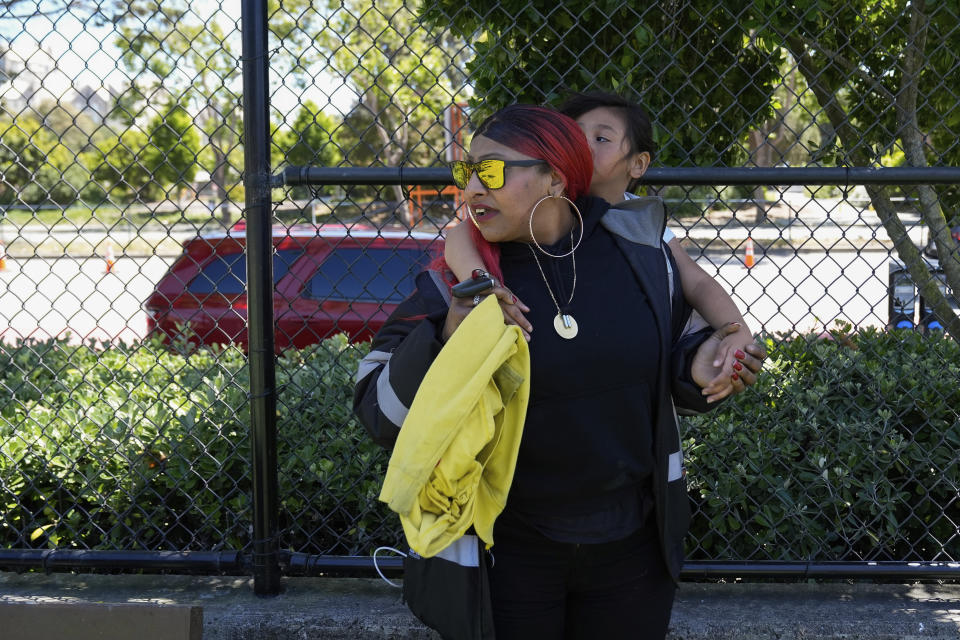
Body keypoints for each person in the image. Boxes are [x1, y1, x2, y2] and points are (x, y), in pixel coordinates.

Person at [355, 104, 766, 639]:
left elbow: (668, 375)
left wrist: (707, 367)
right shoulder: (453, 285)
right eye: (466, 172)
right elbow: (377, 410)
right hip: (506, 555)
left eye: (494, 171)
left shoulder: (639, 261)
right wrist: (449, 336)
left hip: (632, 550)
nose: (472, 188)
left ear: (554, 175)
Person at [444, 91, 754, 381]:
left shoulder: (638, 222)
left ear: (638, 163)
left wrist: (736, 331)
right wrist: (484, 284)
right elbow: (461, 236)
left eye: (601, 138)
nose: (584, 145)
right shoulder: (546, 212)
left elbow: (696, 281)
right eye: (576, 135)